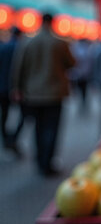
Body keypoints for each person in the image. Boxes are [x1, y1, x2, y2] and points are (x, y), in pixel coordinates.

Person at [12, 13, 75, 175]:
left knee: (38, 127)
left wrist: (17, 88)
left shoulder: (28, 41)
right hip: (54, 93)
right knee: (51, 128)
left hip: (33, 93)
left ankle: (39, 159)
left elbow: (19, 67)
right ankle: (47, 162)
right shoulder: (60, 43)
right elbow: (72, 63)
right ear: (53, 23)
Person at [0, 27, 24, 156]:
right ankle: (13, 138)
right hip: (18, 89)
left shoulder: (3, 47)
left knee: (4, 115)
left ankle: (5, 139)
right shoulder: (21, 48)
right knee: (23, 116)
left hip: (2, 87)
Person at [69, 39, 93, 109]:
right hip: (82, 74)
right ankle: (82, 104)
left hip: (80, 74)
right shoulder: (87, 50)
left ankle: (82, 104)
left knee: (81, 91)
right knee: (82, 91)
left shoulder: (75, 49)